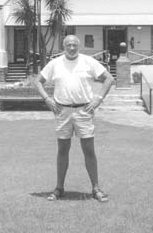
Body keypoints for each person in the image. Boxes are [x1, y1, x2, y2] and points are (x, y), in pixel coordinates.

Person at [35, 35, 114, 202]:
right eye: (68, 45)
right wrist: (47, 100)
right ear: (63, 46)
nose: (71, 48)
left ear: (78, 46)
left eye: (74, 45)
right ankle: (59, 188)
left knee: (89, 150)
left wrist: (98, 100)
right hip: (62, 111)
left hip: (84, 111)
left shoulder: (88, 62)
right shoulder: (55, 63)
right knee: (62, 150)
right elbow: (38, 81)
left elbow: (109, 78)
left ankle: (96, 188)